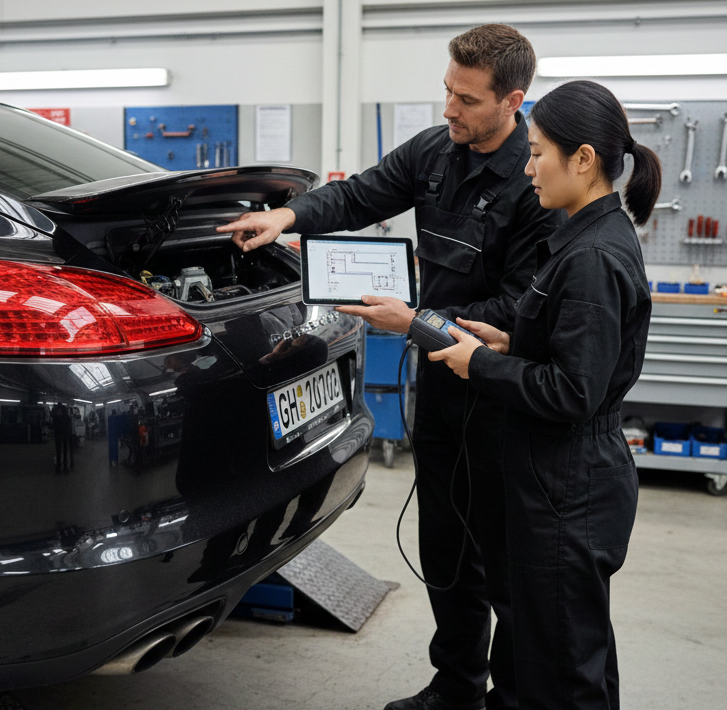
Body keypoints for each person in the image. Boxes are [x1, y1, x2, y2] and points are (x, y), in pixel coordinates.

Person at [218, 24, 565, 710]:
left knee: (501, 556)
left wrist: (417, 321)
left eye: (466, 99)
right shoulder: (435, 151)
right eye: (446, 90)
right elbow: (360, 195)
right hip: (439, 384)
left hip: (498, 395)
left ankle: (513, 696)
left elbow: (517, 310)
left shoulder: (534, 184)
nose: (449, 108)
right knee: (444, 544)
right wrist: (288, 216)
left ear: (512, 101)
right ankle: (456, 685)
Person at [429, 80, 660, 709]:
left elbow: (572, 390)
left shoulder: (591, 256)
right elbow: (576, 353)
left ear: (582, 159)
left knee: (563, 673)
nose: (528, 169)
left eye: (536, 154)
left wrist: (480, 364)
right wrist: (512, 343)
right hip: (562, 476)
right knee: (565, 649)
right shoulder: (587, 238)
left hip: (569, 484)